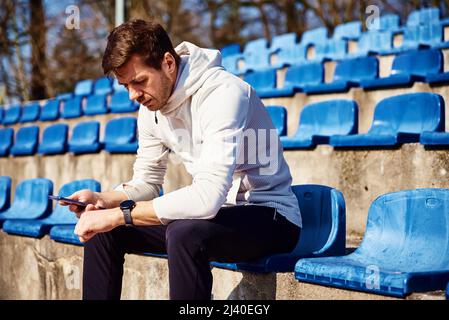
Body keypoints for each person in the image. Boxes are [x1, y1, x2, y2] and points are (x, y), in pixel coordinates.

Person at [63, 19, 302, 300]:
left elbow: (207, 198)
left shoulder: (224, 93)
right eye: (126, 85)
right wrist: (104, 200)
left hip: (271, 215)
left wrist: (119, 214)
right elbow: (147, 182)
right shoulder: (150, 108)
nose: (133, 95)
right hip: (217, 214)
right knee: (105, 231)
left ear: (168, 63)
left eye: (139, 81)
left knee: (183, 233)